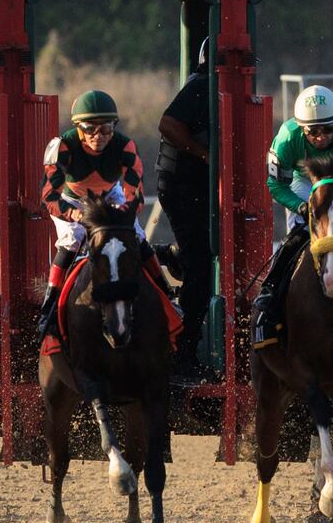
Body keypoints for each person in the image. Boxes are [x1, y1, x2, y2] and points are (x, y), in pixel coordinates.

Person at [249, 85, 333, 350]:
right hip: (303, 182)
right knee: (300, 232)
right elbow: (275, 185)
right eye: (312, 132)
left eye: (327, 130)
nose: (320, 137)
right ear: (301, 129)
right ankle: (271, 291)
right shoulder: (286, 139)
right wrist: (301, 207)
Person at [36, 90, 146, 344]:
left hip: (110, 195)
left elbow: (135, 194)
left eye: (106, 129)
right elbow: (49, 195)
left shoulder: (126, 146)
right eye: (90, 129)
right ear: (78, 128)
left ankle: (165, 294)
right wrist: (72, 212)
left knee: (137, 236)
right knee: (72, 240)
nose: (99, 136)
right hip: (71, 199)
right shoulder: (62, 146)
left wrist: (124, 213)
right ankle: (49, 307)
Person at [155, 40, 215, 375]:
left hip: (192, 187)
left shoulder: (206, 85)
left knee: (202, 257)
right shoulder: (202, 87)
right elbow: (167, 124)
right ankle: (185, 350)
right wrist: (203, 153)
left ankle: (171, 255)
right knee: (201, 267)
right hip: (181, 187)